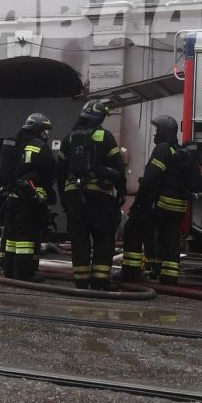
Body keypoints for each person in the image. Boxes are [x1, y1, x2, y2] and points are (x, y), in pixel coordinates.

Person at [126, 115, 200, 284]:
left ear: (165, 132)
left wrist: (138, 203)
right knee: (170, 239)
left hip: (161, 204)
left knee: (133, 228)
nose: (155, 134)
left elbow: (151, 178)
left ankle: (130, 272)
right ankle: (169, 276)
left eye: (157, 130)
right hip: (179, 207)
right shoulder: (180, 152)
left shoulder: (163, 149)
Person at [61, 101, 127, 290]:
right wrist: (121, 192)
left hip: (74, 198)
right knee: (104, 237)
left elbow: (60, 172)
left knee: (79, 239)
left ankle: (80, 280)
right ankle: (100, 281)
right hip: (100, 197)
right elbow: (118, 167)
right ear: (98, 118)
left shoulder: (69, 139)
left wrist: (63, 198)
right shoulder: (105, 137)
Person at [1, 112, 58, 282]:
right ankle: (23, 275)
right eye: (44, 130)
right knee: (26, 239)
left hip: (12, 198)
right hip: (29, 200)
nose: (46, 134)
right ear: (37, 129)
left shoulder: (15, 144)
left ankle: (8, 271)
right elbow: (50, 171)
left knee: (11, 238)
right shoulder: (39, 146)